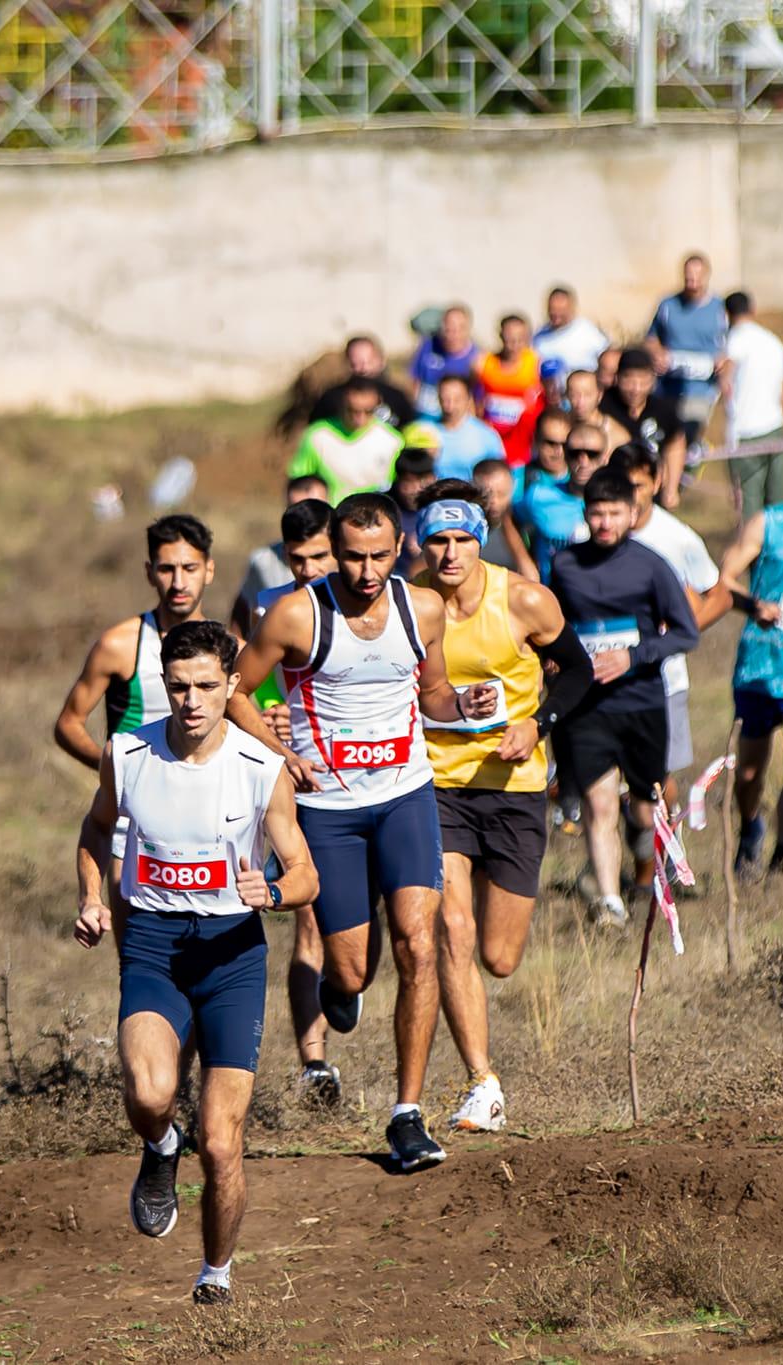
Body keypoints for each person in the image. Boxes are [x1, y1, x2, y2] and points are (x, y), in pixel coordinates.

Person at [227, 493, 497, 1172]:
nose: (367, 569)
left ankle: (407, 1114)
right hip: (330, 811)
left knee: (418, 943)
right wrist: (276, 749)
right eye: (352, 555)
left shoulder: (422, 607)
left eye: (380, 555)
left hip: (406, 795)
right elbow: (237, 688)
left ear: (400, 546)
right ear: (333, 546)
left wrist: (460, 704)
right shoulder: (295, 613)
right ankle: (339, 990)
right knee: (352, 967)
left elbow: (430, 692)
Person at [70, 620, 316, 1307]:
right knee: (149, 1094)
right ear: (163, 686)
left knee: (222, 1139)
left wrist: (269, 890)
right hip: (152, 944)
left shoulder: (261, 768)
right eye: (178, 686)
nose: (192, 700)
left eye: (207, 685)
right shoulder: (127, 753)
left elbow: (304, 873)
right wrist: (92, 894)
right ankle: (158, 1145)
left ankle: (215, 1272)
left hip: (232, 956)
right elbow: (95, 826)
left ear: (232, 684)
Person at [416, 483, 594, 1131]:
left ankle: (482, 1075)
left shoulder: (522, 598)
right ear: (421, 540)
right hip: (437, 784)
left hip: (515, 788)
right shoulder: (409, 600)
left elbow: (577, 671)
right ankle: (482, 1084)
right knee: (452, 930)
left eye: (464, 538)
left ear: (482, 536)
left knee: (499, 955)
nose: (451, 552)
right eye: (438, 539)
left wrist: (537, 724)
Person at [548, 470, 700, 926]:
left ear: (632, 515)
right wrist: (555, 660)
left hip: (641, 702)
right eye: (597, 513)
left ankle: (650, 862)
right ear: (586, 514)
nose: (605, 522)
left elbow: (686, 633)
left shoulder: (652, 565)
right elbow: (549, 624)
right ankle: (609, 901)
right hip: (587, 706)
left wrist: (633, 656)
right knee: (598, 804)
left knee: (644, 805)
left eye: (614, 513)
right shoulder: (563, 565)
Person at [239, 498, 346, 1104]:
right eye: (297, 559)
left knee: (358, 924)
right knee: (307, 914)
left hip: (365, 784)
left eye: (319, 557)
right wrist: (266, 727)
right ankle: (315, 1064)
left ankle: (347, 983)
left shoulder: (373, 604)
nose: (308, 570)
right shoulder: (269, 608)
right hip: (291, 779)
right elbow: (240, 686)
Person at [54, 515, 216, 830]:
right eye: (167, 569)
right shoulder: (121, 644)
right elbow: (68, 723)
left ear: (209, 569)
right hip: (131, 819)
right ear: (149, 572)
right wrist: (112, 766)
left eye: (190, 568)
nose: (179, 583)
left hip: (209, 813)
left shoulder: (230, 650)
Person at [614, 443, 730, 807]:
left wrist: (681, 631)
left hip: (663, 680)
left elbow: (720, 596)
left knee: (654, 779)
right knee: (608, 777)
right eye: (622, 486)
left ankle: (667, 852)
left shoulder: (676, 537)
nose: (631, 497)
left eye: (639, 486)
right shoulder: (595, 531)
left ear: (658, 481)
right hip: (607, 678)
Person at [717, 470, 783, 877]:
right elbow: (723, 578)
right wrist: (754, 605)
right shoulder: (771, 522)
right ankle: (750, 826)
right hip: (759, 664)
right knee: (750, 772)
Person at [644, 253, 728, 463]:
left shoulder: (719, 308)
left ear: (707, 276)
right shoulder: (668, 305)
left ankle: (683, 478)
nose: (692, 282)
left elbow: (730, 345)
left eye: (697, 277)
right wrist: (657, 354)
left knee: (688, 439)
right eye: (688, 276)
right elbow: (651, 338)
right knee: (665, 439)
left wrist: (722, 362)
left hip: (701, 388)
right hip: (669, 386)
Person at [719, 290, 783, 520]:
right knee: (778, 504)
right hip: (775, 429)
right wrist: (780, 422)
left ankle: (751, 555)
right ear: (753, 310)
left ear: (727, 314)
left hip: (744, 434)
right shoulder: (774, 341)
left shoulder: (734, 339)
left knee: (749, 509)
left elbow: (725, 379)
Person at [235, 474, 332, 636]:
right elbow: (243, 608)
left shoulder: (358, 578)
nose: (308, 570)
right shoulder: (263, 562)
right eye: (297, 508)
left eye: (315, 507)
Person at [600, 348, 687, 508]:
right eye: (629, 379)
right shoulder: (604, 406)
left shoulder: (663, 409)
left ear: (653, 380)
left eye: (643, 380)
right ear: (617, 377)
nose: (636, 388)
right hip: (612, 491)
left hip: (650, 493)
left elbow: (675, 444)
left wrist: (671, 488)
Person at [290, 377, 405, 498]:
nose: (360, 418)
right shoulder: (317, 436)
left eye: (368, 411)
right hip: (332, 515)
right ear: (342, 404)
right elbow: (298, 484)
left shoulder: (393, 441)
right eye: (352, 411)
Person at [515, 411, 591, 584]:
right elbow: (507, 519)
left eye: (564, 445)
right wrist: (523, 559)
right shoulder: (519, 479)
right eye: (550, 443)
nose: (558, 452)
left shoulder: (582, 480)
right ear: (536, 439)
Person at [475, 315, 545, 468]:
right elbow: (476, 401)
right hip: (492, 442)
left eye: (520, 338)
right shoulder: (484, 362)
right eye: (509, 338)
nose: (514, 344)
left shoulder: (535, 363)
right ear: (500, 336)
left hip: (523, 444)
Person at [311, 335, 419, 431]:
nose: (362, 369)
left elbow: (410, 430)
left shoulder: (396, 398)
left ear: (381, 361)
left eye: (368, 362)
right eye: (355, 364)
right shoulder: (331, 399)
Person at [471, 457, 541, 581]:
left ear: (512, 488)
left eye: (501, 494)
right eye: (485, 495)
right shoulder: (467, 527)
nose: (493, 501)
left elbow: (532, 578)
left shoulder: (525, 525)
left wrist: (508, 524)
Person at [410, 305, 480, 419]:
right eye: (448, 329)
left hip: (452, 421)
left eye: (459, 329)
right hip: (424, 416)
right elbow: (415, 381)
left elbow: (475, 400)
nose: (453, 335)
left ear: (468, 329)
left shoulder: (476, 359)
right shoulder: (428, 346)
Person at [432, 374, 507, 480]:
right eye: (444, 399)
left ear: (468, 399)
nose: (449, 406)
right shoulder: (427, 432)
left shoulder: (486, 435)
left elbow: (500, 474)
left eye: (457, 399)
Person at [389, 431, 441, 576]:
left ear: (433, 479)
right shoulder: (386, 508)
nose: (414, 489)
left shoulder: (442, 509)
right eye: (407, 482)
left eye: (421, 481)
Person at [534, 285, 611, 374]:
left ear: (571, 308)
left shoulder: (587, 331)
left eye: (561, 310)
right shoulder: (539, 337)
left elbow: (607, 357)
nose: (556, 314)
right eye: (552, 309)